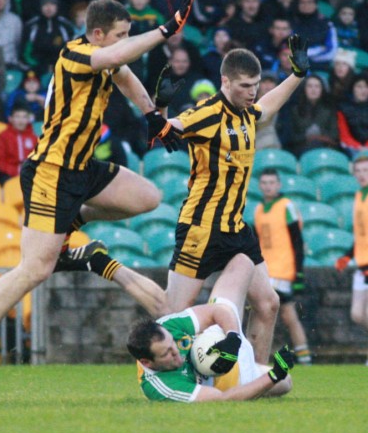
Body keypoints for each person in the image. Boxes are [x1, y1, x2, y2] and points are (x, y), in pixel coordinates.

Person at [0, 0, 195, 397]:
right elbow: (112, 61)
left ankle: (72, 229)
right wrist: (166, 30)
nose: (123, 42)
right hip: (51, 173)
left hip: (82, 169)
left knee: (147, 198)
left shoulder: (106, 56)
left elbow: (124, 74)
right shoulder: (75, 54)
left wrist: (153, 114)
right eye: (119, 36)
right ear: (97, 34)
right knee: (34, 270)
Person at [58, 34, 310, 369]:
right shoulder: (206, 114)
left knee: (268, 304)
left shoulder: (248, 113)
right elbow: (165, 131)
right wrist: (160, 108)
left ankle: (256, 377)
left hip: (236, 230)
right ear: (225, 81)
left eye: (256, 85)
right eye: (245, 85)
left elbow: (268, 107)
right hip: (200, 230)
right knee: (168, 311)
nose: (253, 92)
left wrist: (297, 75)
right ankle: (101, 262)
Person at [127, 253, 295, 402]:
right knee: (285, 381)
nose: (175, 351)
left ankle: (247, 351)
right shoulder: (161, 387)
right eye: (166, 353)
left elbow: (215, 312)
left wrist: (232, 338)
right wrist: (273, 375)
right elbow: (222, 399)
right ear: (147, 362)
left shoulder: (167, 325)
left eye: (172, 344)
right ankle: (255, 376)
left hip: (221, 336)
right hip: (232, 381)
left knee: (242, 262)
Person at [254, 168, 313, 365]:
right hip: (265, 269)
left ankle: (303, 355)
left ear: (278, 185)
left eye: (272, 182)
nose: (268, 186)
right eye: (264, 183)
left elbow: (297, 240)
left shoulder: (286, 206)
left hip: (282, 269)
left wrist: (298, 273)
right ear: (259, 186)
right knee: (273, 312)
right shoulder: (258, 209)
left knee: (284, 313)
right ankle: (259, 355)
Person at [335, 151, 368, 365]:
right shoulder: (359, 196)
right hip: (361, 263)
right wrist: (348, 256)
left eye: (366, 170)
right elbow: (361, 233)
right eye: (358, 171)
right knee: (357, 314)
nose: (362, 174)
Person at [20, 0, 74, 75]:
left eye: (52, 4)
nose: (49, 8)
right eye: (45, 4)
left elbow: (72, 50)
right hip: (37, 70)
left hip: (61, 70)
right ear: (40, 6)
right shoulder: (31, 26)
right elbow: (25, 53)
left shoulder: (65, 26)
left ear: (57, 6)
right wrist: (38, 67)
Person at [286, 73, 339, 157]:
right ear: (304, 89)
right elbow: (290, 136)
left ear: (322, 89)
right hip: (301, 149)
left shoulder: (329, 109)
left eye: (317, 86)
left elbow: (334, 134)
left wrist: (319, 135)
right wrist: (306, 136)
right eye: (310, 86)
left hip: (325, 148)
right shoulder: (294, 110)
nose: (313, 90)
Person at [0, 104, 38, 185]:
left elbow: (37, 159)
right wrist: (16, 171)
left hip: (29, 174)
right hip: (8, 174)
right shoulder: (3, 136)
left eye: (24, 117)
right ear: (10, 119)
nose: (21, 121)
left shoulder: (34, 138)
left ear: (28, 120)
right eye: (17, 117)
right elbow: (0, 160)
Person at [337, 74, 368, 159]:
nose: (363, 90)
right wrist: (359, 147)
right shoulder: (342, 108)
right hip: (351, 148)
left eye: (366, 87)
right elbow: (344, 135)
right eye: (359, 87)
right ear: (353, 89)